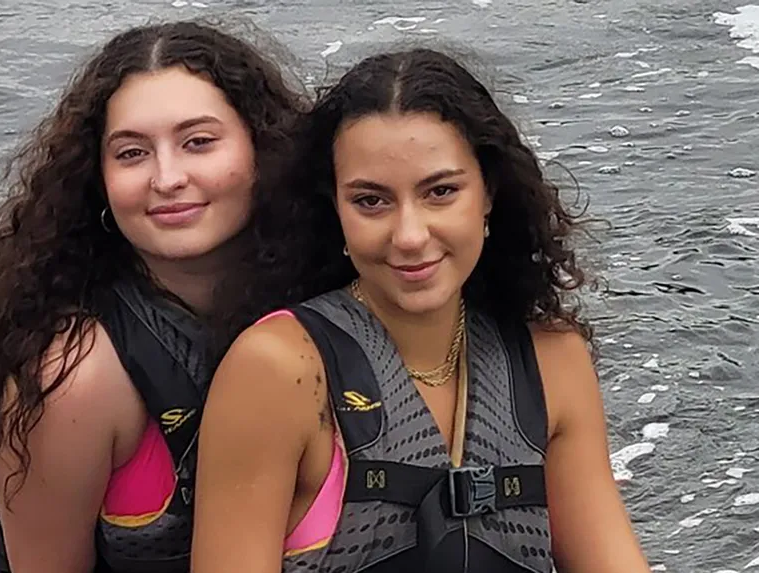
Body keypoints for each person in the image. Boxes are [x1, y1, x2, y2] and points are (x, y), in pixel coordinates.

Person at [191, 48, 653, 572]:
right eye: (371, 201)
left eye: (440, 192)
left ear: (489, 195)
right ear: (333, 209)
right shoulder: (278, 370)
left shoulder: (552, 362)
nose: (410, 236)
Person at [0, 20, 310, 573]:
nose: (166, 178)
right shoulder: (73, 377)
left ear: (264, 149)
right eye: (131, 153)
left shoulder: (332, 300)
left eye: (198, 142)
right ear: (97, 179)